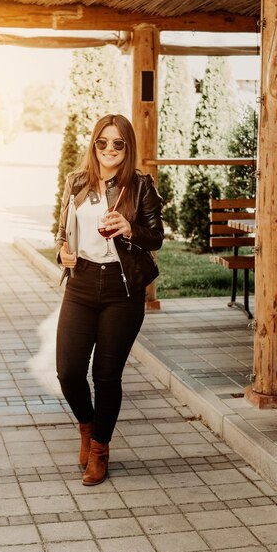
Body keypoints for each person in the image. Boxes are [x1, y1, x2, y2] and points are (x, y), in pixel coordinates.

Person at [55, 114, 164, 486]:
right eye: (102, 142)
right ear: (94, 144)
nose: (109, 149)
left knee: (106, 376)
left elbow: (157, 238)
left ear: (128, 146)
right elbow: (61, 233)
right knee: (68, 372)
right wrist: (63, 253)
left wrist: (131, 228)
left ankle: (100, 449)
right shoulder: (77, 182)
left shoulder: (140, 185)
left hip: (122, 289)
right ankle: (88, 427)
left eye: (118, 143)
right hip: (81, 283)